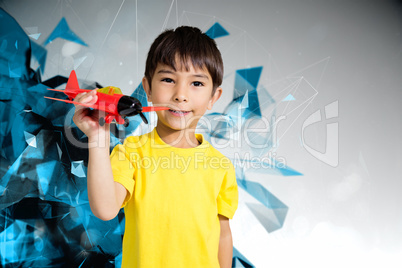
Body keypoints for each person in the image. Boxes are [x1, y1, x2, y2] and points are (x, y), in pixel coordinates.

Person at [73, 26, 238, 268]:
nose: (180, 95)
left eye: (197, 84)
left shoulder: (221, 167)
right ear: (147, 88)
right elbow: (106, 209)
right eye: (168, 79)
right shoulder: (131, 152)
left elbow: (223, 235)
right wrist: (98, 138)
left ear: (214, 97)